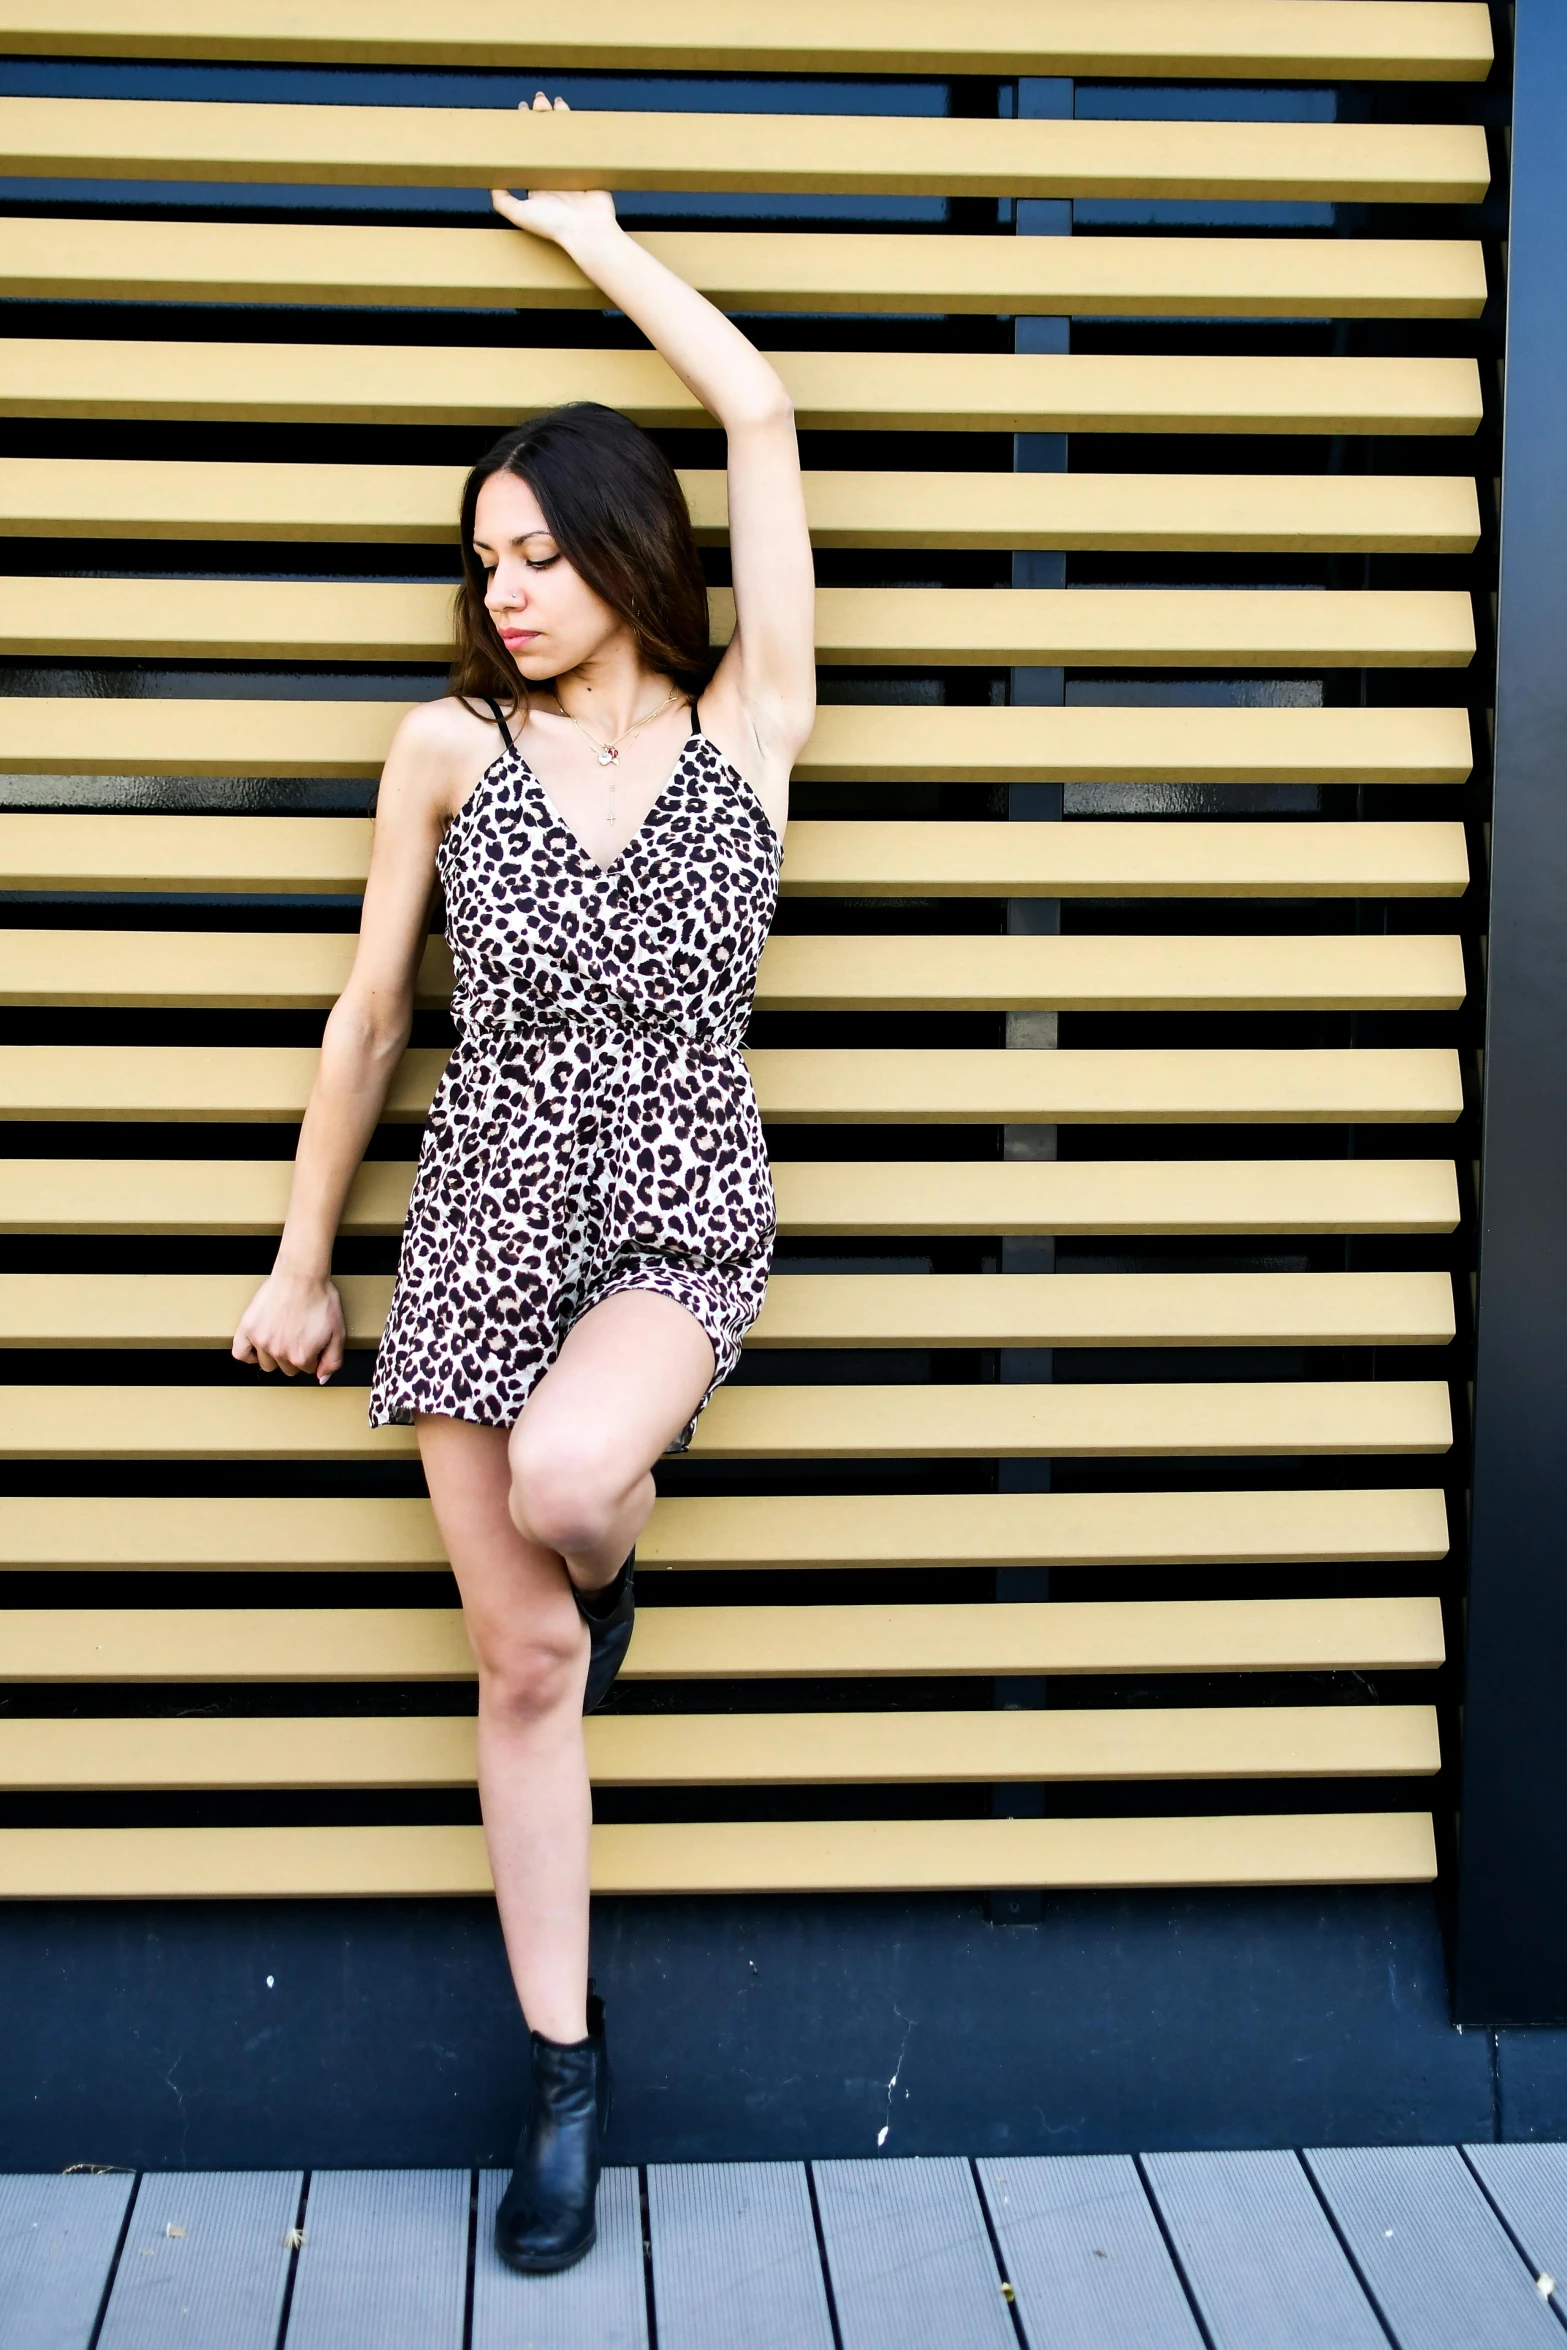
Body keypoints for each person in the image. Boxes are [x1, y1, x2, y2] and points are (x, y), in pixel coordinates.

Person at [231, 93, 816, 2274]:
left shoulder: (752, 718)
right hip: (478, 1198)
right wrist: (304, 1259)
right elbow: (370, 1017)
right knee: (523, 1675)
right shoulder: (445, 750)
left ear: (623, 545)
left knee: (578, 1491)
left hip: (676, 1188)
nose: (506, 588)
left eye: (539, 550)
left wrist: (595, 238)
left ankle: (613, 1559)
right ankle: (565, 2071)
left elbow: (755, 405)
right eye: (483, 561)